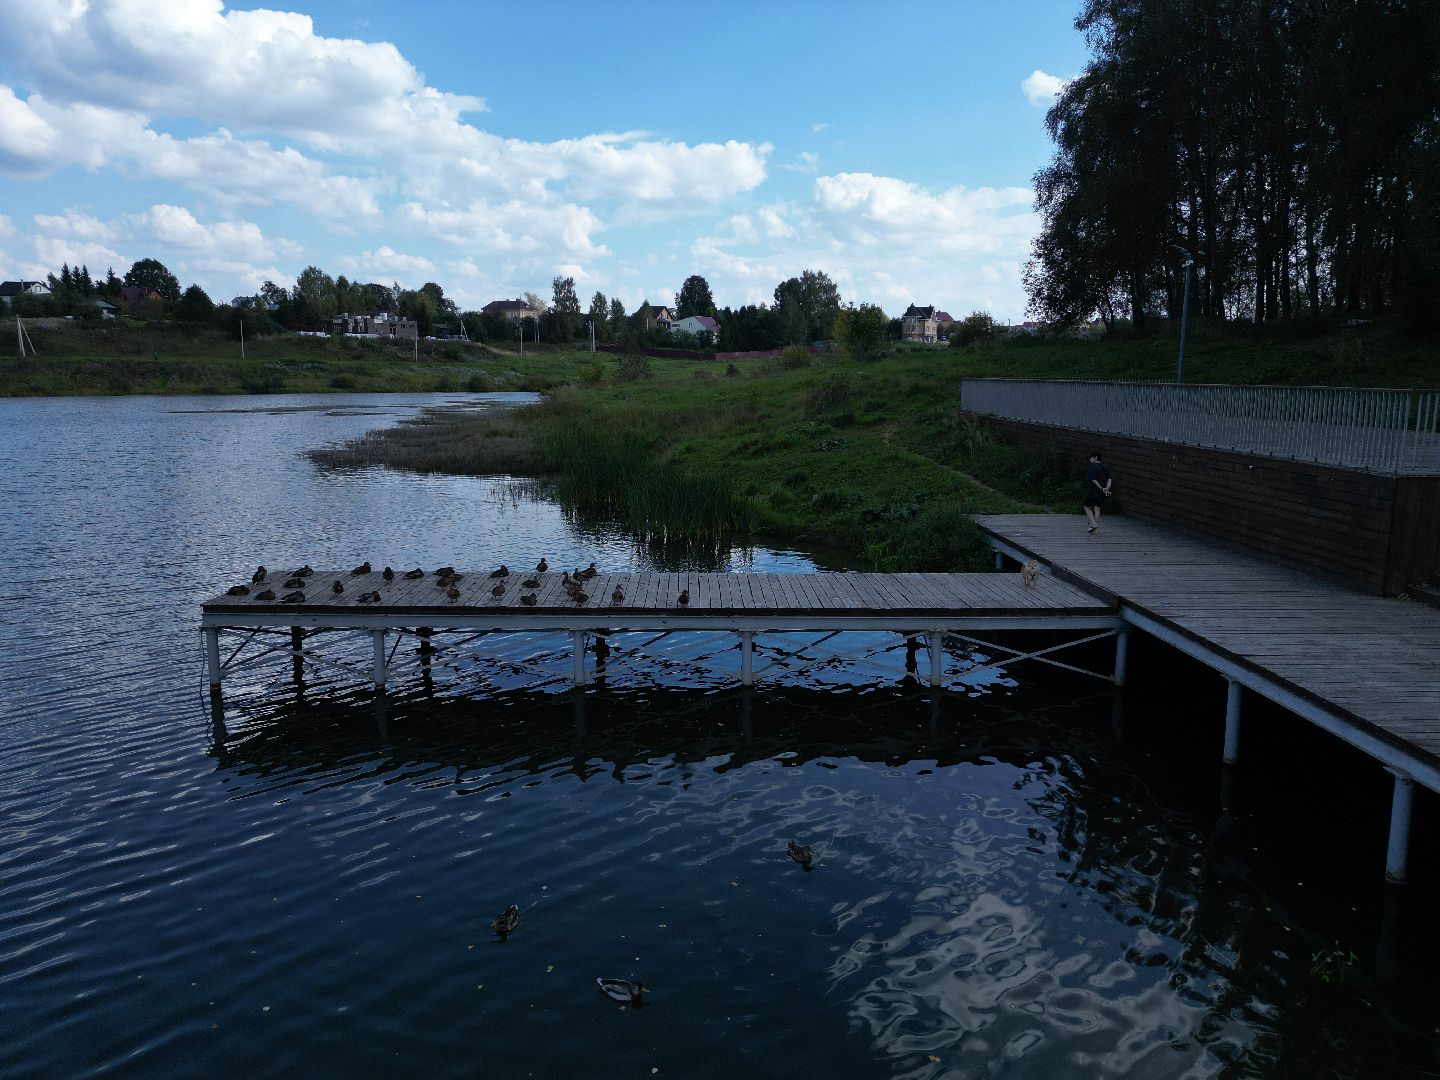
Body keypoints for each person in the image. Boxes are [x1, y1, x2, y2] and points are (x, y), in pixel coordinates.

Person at [1084, 450, 1111, 532]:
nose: (1089, 459)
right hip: (1102, 493)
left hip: (1093, 491)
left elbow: (1094, 480)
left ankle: (1093, 523)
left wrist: (1102, 488)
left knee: (1087, 507)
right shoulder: (1105, 467)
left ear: (1095, 458)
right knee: (1097, 508)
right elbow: (1109, 480)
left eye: (1090, 458)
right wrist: (1106, 489)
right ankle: (1094, 527)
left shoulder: (1092, 467)